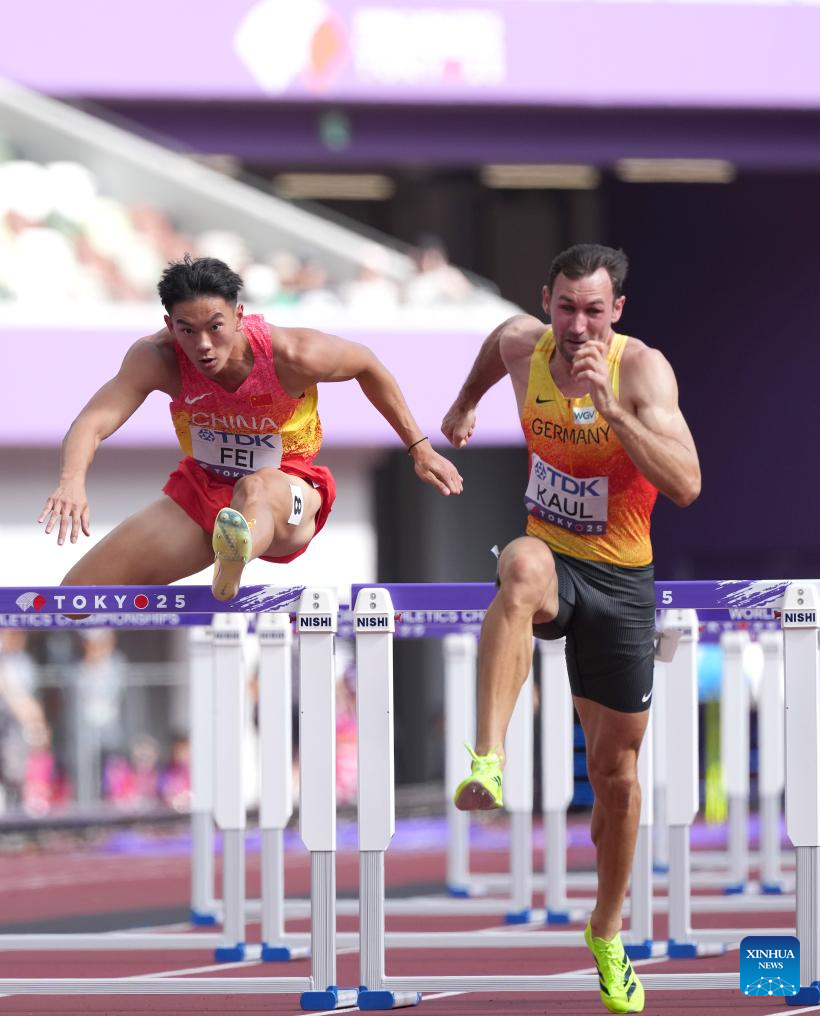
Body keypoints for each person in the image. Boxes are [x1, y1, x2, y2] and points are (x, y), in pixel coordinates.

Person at [441, 243, 700, 1014]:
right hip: (553, 561)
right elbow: (496, 345)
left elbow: (687, 484)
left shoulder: (641, 370)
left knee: (616, 779)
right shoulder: (525, 346)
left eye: (593, 311)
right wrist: (465, 404)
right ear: (545, 302)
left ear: (616, 310)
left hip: (621, 579)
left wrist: (614, 411)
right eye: (565, 308)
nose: (578, 326)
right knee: (519, 566)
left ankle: (607, 930)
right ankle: (488, 760)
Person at [38, 255, 462, 599]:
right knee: (76, 599)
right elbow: (91, 421)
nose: (203, 346)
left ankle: (234, 558)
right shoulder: (157, 358)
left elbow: (367, 365)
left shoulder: (293, 354)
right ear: (170, 326)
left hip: (289, 493)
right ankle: (229, 548)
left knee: (255, 487)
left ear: (239, 316)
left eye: (215, 327)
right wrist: (71, 482)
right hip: (204, 490)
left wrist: (420, 447)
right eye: (187, 331)